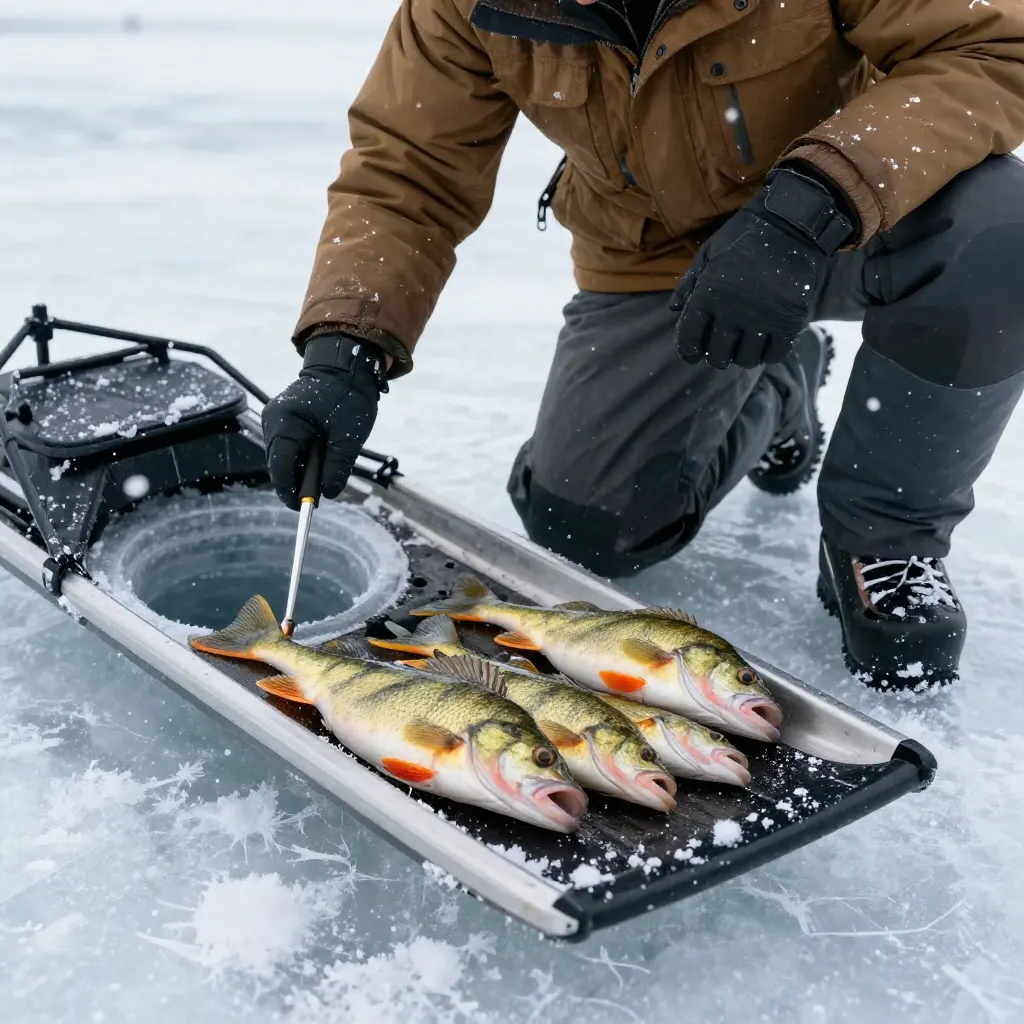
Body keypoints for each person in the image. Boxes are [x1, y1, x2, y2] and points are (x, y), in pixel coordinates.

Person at [261, 0, 1024, 689]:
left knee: (1000, 234)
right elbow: (409, 171)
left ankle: (885, 541)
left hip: (849, 210)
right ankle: (782, 387)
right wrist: (345, 350)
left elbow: (993, 47)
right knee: (584, 527)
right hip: (656, 255)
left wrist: (807, 207)